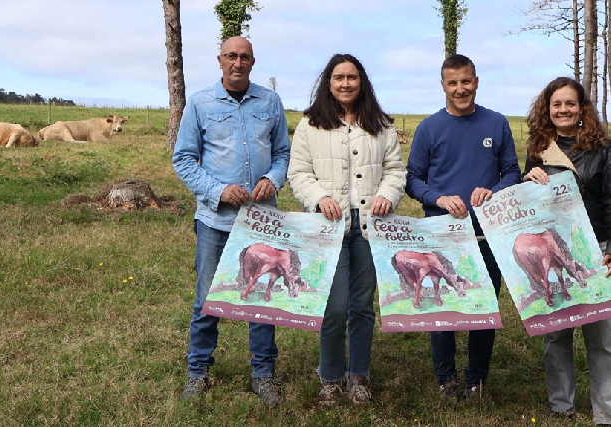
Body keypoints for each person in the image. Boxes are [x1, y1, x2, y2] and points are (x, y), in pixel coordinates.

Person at [172, 36, 290, 406]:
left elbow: (283, 152)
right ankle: (198, 371)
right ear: (220, 61)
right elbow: (184, 159)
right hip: (215, 220)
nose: (238, 62)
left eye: (245, 57)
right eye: (231, 56)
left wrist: (273, 178)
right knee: (208, 296)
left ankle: (263, 374)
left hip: (261, 220)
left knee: (262, 296)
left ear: (252, 62)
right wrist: (217, 190)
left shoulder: (270, 102)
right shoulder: (200, 103)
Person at [287, 53, 407, 405]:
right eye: (338, 77)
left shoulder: (380, 125)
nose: (345, 83)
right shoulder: (310, 125)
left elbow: (395, 170)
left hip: (371, 227)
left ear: (362, 81)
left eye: (352, 77)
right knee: (334, 306)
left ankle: (358, 377)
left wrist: (386, 195)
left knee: (362, 306)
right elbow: (299, 173)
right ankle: (330, 377)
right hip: (329, 227)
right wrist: (319, 197)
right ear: (328, 82)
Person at [405, 54, 521, 402]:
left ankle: (476, 379)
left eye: (466, 81)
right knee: (441, 307)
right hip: (441, 233)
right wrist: (438, 199)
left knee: (483, 307)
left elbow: (512, 171)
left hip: (486, 234)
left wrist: (494, 190)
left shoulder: (497, 123)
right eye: (453, 83)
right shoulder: (429, 128)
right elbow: (412, 179)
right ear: (443, 87)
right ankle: (446, 378)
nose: (461, 89)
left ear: (476, 81)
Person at [523, 76, 611, 425]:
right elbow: (524, 205)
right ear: (548, 109)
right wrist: (528, 179)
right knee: (556, 335)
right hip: (550, 248)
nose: (563, 109)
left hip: (595, 249)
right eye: (556, 104)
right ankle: (562, 407)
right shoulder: (538, 149)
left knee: (602, 337)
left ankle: (605, 411)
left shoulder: (603, 150)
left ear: (581, 109)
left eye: (570, 104)